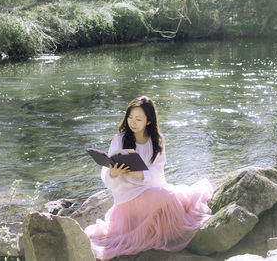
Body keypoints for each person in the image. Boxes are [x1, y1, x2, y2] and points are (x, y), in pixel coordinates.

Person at [84, 96, 213, 260]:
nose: (133, 123)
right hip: (127, 197)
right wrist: (113, 173)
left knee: (173, 197)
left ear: (149, 121)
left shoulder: (157, 141)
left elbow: (158, 174)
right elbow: (108, 177)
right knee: (169, 197)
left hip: (148, 189)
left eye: (138, 119)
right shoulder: (120, 139)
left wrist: (140, 174)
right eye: (130, 118)